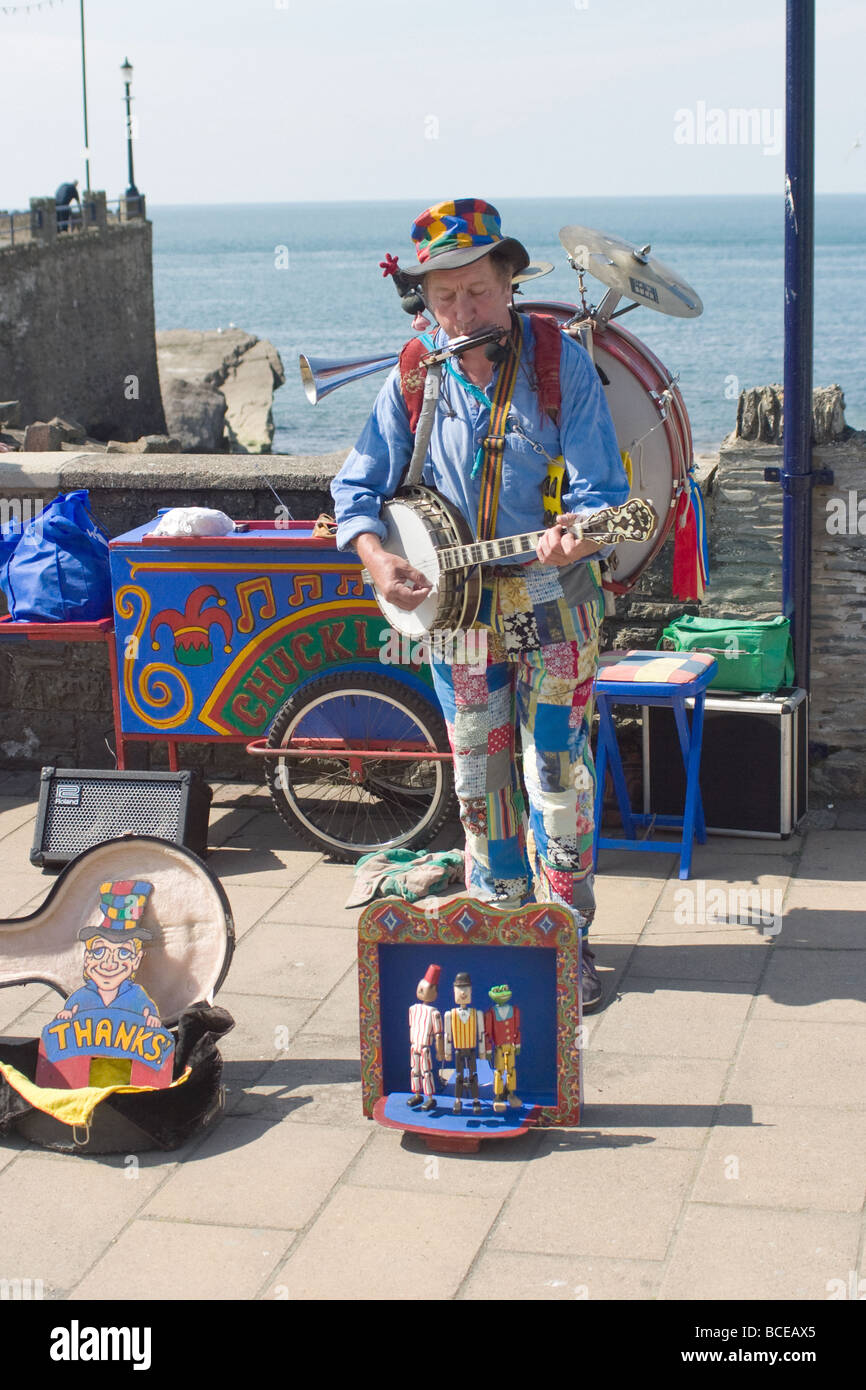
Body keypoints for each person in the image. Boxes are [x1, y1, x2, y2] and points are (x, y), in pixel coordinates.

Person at [331, 199, 630, 1010]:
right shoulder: (416, 373)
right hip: (457, 617)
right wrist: (376, 559)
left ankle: (567, 937)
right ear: (425, 300)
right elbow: (357, 485)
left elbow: (608, 494)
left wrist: (582, 537)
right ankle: (500, 924)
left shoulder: (557, 363)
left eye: (477, 292)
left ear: (510, 285)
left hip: (554, 603)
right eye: (445, 297)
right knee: (478, 778)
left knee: (555, 775)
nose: (462, 312)